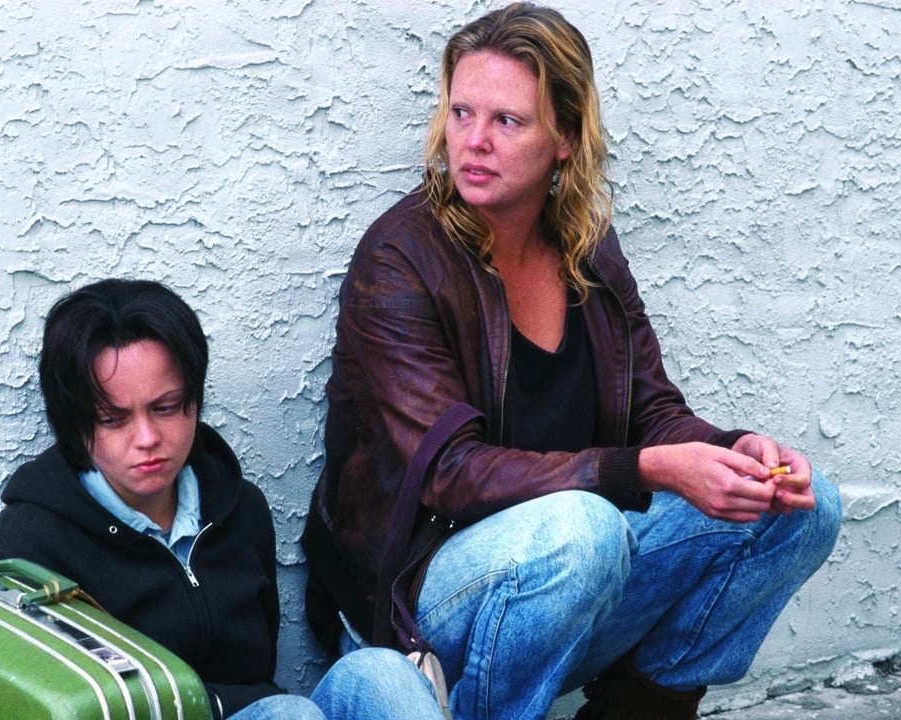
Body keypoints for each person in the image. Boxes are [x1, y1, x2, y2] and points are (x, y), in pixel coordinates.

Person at [301, 4, 842, 720]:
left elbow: (652, 409)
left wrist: (733, 451)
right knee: (584, 530)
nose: (474, 141)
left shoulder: (586, 245)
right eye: (461, 113)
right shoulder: (402, 259)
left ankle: (638, 710)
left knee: (800, 507)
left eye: (507, 121)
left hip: (569, 574)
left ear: (565, 138)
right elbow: (448, 472)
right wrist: (642, 470)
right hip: (422, 601)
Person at [0, 279, 442, 720]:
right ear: (74, 423)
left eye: (165, 408)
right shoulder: (31, 542)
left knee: (382, 673)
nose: (147, 438)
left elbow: (257, 675)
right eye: (113, 419)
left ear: (194, 400)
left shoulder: (240, 510)